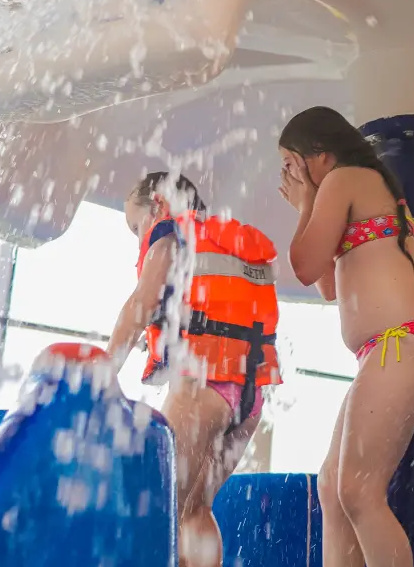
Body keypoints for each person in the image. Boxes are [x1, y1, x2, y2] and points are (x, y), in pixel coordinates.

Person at [277, 106, 414, 567]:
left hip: (400, 344)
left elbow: (302, 266)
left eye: (290, 164)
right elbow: (327, 285)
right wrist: (310, 207)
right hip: (396, 350)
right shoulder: (363, 186)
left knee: (357, 490)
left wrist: (305, 205)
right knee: (332, 488)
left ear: (319, 155)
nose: (288, 176)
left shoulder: (344, 178)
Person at [107, 171, 282, 567]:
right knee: (194, 510)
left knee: (159, 506)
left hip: (202, 386)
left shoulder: (170, 233)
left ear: (158, 203)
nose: (139, 238)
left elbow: (142, 302)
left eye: (136, 226)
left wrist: (104, 370)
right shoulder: (231, 245)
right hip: (249, 398)